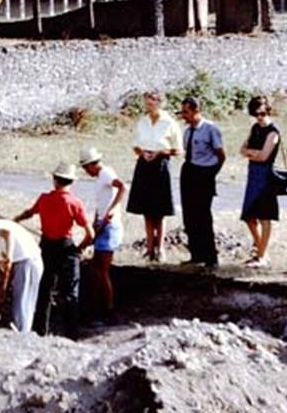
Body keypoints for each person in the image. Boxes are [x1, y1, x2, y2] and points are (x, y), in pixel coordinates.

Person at [14, 162, 94, 339]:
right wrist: (79, 249)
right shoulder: (75, 203)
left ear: (55, 180)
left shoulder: (44, 199)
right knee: (70, 293)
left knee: (44, 290)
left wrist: (15, 220)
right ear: (71, 182)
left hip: (46, 247)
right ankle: (71, 335)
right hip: (66, 248)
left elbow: (29, 213)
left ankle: (40, 332)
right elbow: (91, 234)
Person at [126, 90, 183, 262]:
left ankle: (161, 248)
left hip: (160, 164)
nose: (148, 107)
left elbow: (179, 149)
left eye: (151, 104)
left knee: (160, 209)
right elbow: (135, 144)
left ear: (159, 103)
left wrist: (160, 152)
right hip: (144, 163)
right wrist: (142, 153)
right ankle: (149, 248)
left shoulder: (169, 123)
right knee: (146, 209)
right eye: (146, 103)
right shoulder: (142, 122)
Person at [78, 146, 127, 320]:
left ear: (91, 165)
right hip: (102, 224)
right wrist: (94, 226)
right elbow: (101, 206)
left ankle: (108, 310)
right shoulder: (101, 176)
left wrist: (112, 210)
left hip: (110, 226)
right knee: (95, 269)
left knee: (102, 270)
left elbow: (123, 187)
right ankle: (96, 306)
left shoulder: (105, 173)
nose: (86, 172)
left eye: (85, 168)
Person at [177, 97, 225, 268]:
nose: (184, 116)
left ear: (196, 110)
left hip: (204, 172)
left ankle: (210, 256)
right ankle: (196, 254)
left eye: (186, 112)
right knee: (189, 215)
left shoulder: (210, 129)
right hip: (189, 170)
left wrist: (211, 174)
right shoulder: (188, 131)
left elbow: (221, 155)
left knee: (203, 215)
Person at [239, 95, 281, 267]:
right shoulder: (255, 128)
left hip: (265, 176)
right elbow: (242, 149)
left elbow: (264, 156)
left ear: (268, 111)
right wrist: (253, 153)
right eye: (256, 114)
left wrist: (251, 153)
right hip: (253, 174)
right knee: (249, 215)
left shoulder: (273, 132)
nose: (259, 117)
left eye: (262, 113)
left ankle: (262, 254)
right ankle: (261, 247)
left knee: (264, 216)